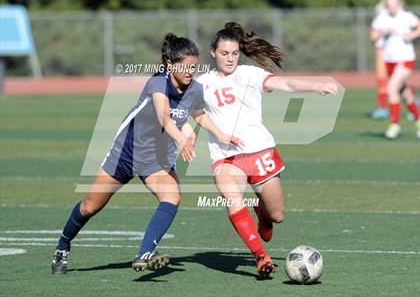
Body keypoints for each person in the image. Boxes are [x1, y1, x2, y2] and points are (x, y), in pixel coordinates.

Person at [51, 33, 239, 275]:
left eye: (194, 66)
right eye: (185, 67)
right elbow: (164, 115)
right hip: (126, 153)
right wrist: (183, 138)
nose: (191, 71)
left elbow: (199, 114)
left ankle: (144, 253)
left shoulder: (195, 88)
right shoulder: (158, 83)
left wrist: (221, 134)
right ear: (170, 64)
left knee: (172, 196)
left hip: (155, 159)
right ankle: (62, 246)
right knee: (90, 206)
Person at [197, 22, 338, 278]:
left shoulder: (250, 75)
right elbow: (195, 113)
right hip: (227, 158)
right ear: (213, 52)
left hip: (260, 152)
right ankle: (261, 257)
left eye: (234, 53)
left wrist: (316, 86)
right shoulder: (202, 83)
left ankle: (263, 215)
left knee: (277, 215)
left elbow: (285, 85)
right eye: (224, 53)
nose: (230, 58)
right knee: (233, 199)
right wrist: (193, 135)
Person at [371, 0, 420, 139]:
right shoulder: (382, 18)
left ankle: (394, 124)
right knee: (405, 93)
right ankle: (418, 119)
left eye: (394, 4)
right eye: (389, 5)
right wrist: (382, 32)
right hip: (389, 60)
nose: (392, 7)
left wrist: (411, 35)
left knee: (391, 88)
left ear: (399, 4)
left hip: (405, 59)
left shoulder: (407, 16)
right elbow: (373, 37)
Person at [371, 0, 395, 120]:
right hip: (382, 49)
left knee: (398, 79)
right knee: (381, 79)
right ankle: (382, 107)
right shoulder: (379, 8)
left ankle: (412, 106)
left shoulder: (399, 10)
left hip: (397, 50)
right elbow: (375, 32)